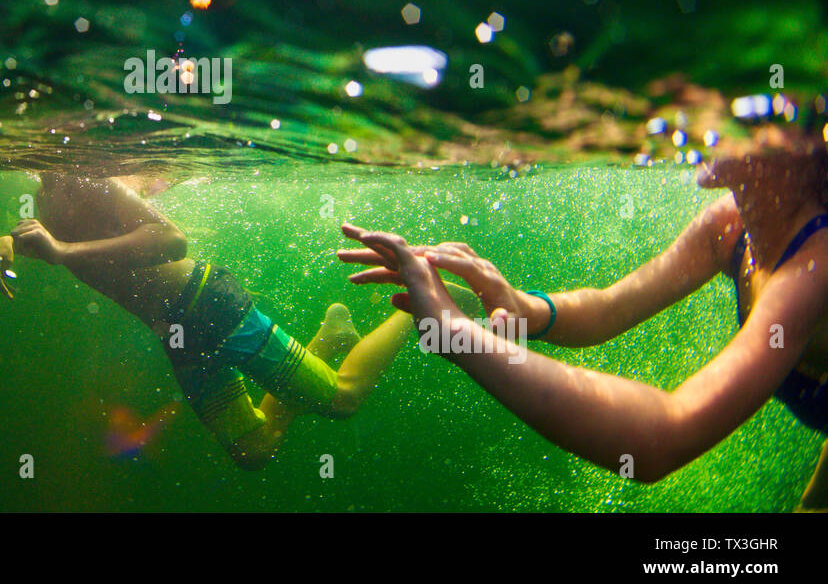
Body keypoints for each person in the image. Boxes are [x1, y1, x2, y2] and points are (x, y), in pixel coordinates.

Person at [339, 111, 828, 509]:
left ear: (803, 141)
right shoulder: (729, 228)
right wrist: (524, 308)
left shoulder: (815, 268)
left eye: (739, 100)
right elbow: (610, 308)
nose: (704, 116)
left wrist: (458, 334)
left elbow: (665, 436)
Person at [0, 170, 416, 469]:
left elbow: (172, 240)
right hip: (176, 337)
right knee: (253, 450)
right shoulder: (47, 194)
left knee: (342, 400)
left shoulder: (94, 180)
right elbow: (40, 234)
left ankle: (417, 308)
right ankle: (330, 335)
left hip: (210, 305)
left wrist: (62, 251)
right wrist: (6, 240)